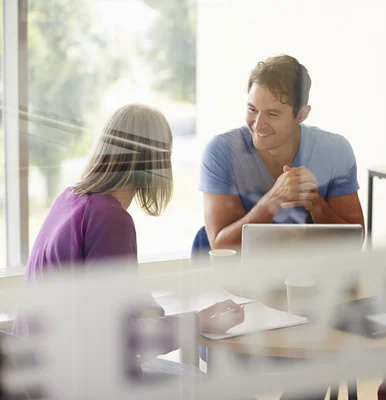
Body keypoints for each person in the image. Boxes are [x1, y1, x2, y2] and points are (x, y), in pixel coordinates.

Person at [12, 104, 244, 378]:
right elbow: (118, 337)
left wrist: (149, 309)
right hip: (77, 380)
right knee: (208, 385)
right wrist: (198, 322)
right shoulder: (108, 217)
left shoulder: (70, 198)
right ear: (156, 160)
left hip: (37, 368)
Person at [200, 55, 364, 250]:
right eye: (252, 109)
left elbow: (354, 241)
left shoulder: (335, 150)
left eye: (272, 114)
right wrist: (274, 200)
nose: (258, 124)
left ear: (301, 114)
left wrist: (316, 203)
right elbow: (221, 246)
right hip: (245, 275)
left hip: (309, 274)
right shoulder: (221, 151)